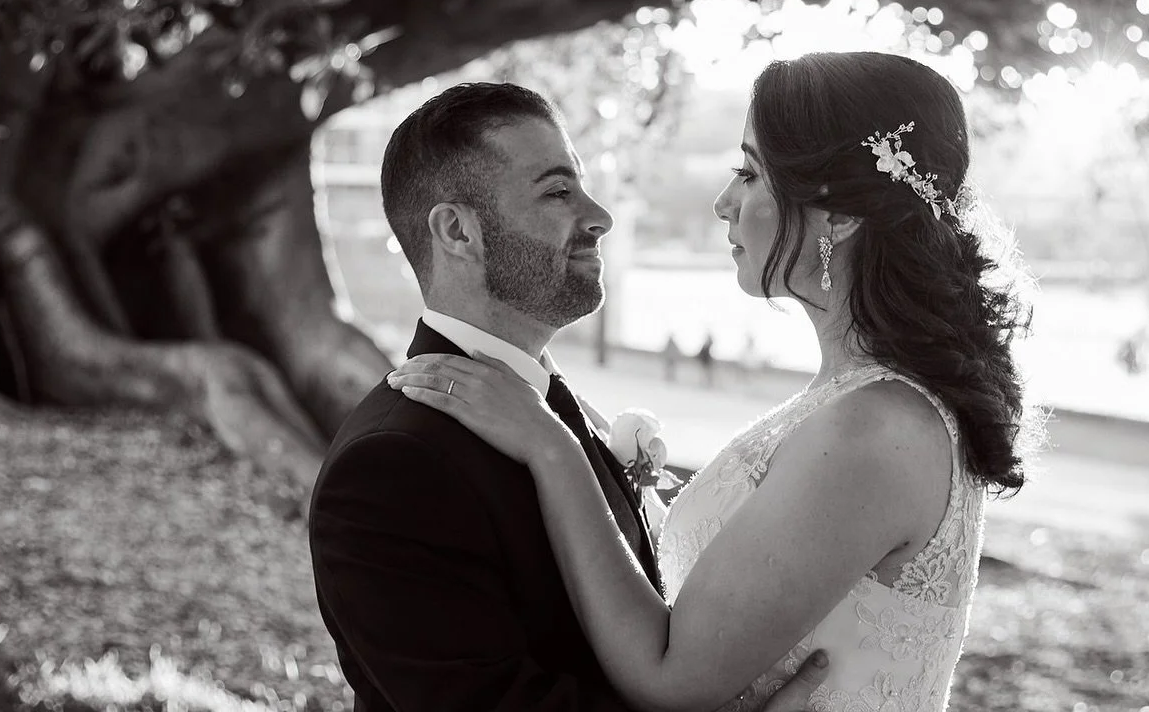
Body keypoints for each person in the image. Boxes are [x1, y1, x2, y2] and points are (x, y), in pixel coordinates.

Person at [391, 53, 1037, 712]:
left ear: (838, 213)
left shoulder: (873, 428)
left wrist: (552, 447)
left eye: (750, 173)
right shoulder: (853, 404)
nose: (725, 202)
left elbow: (668, 676)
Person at [307, 83, 830, 712]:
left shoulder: (556, 408)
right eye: (558, 192)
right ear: (457, 231)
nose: (599, 216)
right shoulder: (393, 464)